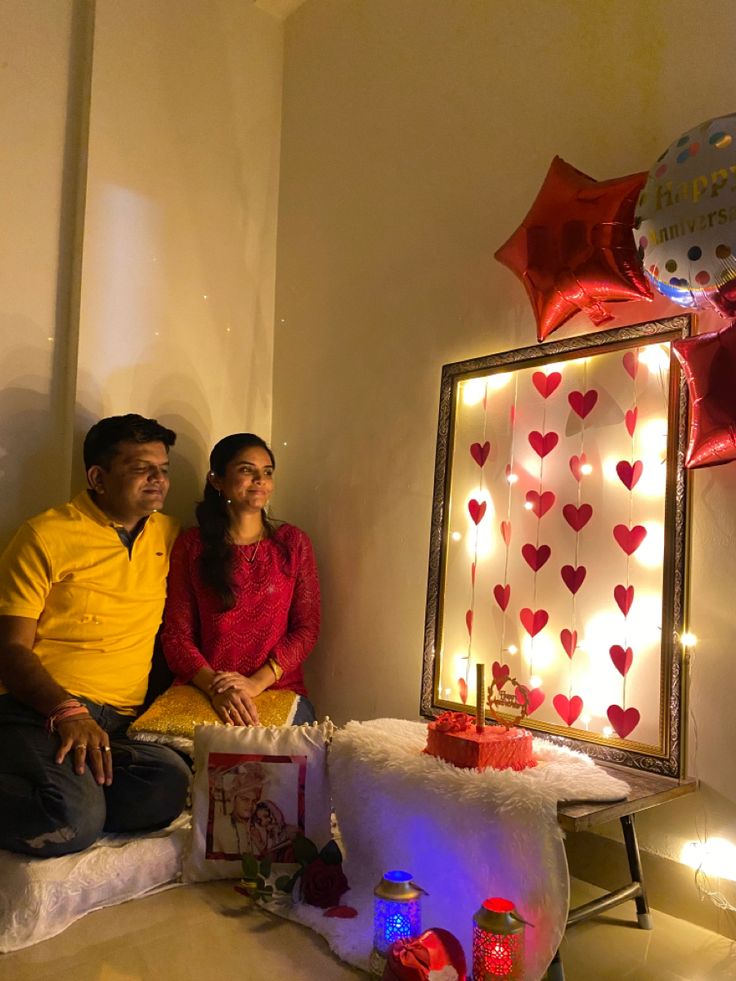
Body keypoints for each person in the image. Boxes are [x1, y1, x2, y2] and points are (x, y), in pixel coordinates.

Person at [0, 414, 191, 858]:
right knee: (73, 820)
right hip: (38, 710)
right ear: (98, 477)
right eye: (141, 468)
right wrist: (66, 710)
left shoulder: (171, 534)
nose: (158, 480)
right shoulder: (45, 535)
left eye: (163, 469)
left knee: (168, 785)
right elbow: (10, 649)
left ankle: (75, 793)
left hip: (119, 724)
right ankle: (73, 802)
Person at [162, 433, 320, 727]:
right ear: (216, 480)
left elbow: (306, 629)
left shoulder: (292, 544)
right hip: (205, 690)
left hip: (277, 689)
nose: (260, 480)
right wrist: (218, 687)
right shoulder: (193, 546)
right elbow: (176, 637)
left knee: (274, 766)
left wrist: (254, 684)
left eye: (267, 472)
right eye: (247, 470)